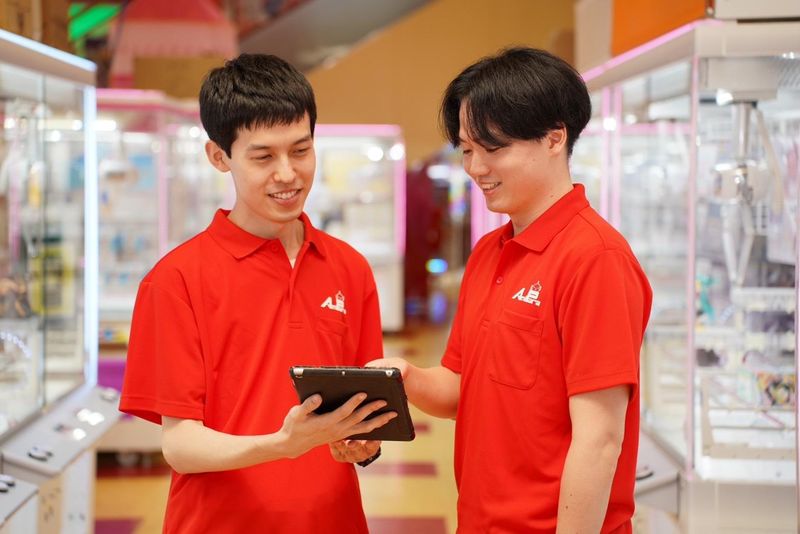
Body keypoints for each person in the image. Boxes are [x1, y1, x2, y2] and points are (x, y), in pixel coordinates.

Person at [369, 47, 653, 533]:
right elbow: (462, 388)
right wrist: (404, 377)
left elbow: (600, 440)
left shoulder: (595, 259)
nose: (475, 167)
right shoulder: (489, 253)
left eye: (493, 148)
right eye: (466, 150)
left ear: (554, 137)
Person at [119, 53, 395, 534]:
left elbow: (361, 410)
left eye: (301, 150)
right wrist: (282, 445)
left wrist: (361, 442)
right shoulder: (175, 280)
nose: (287, 174)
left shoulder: (350, 268)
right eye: (263, 157)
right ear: (219, 157)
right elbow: (179, 445)